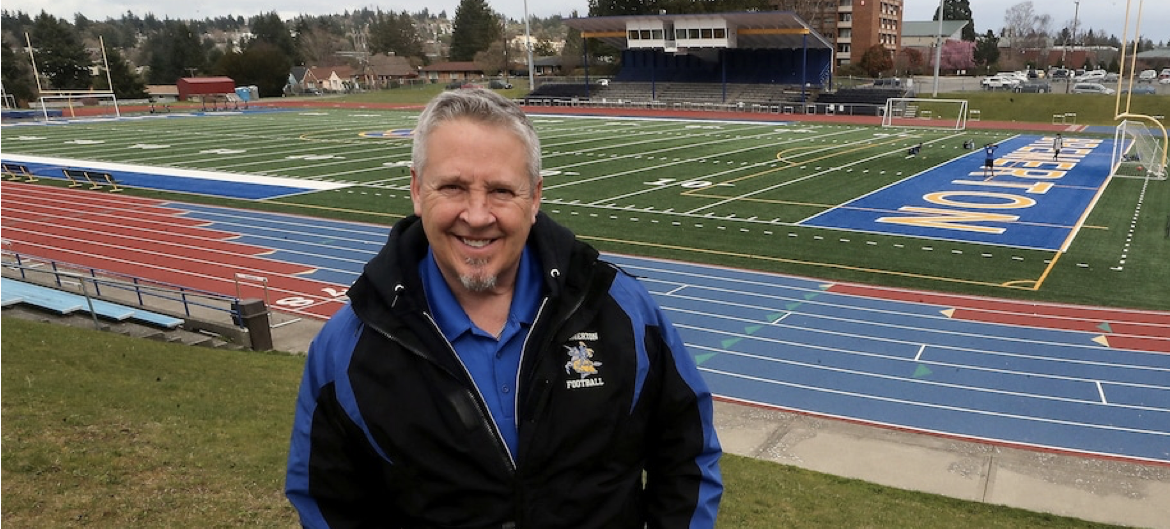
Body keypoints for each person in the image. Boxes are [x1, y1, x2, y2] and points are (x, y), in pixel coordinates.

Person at [285, 88, 723, 529]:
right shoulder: (348, 348)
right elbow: (329, 504)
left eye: (500, 191)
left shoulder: (620, 310)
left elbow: (688, 454)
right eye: (453, 187)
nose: (477, 216)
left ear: (534, 198)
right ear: (418, 190)